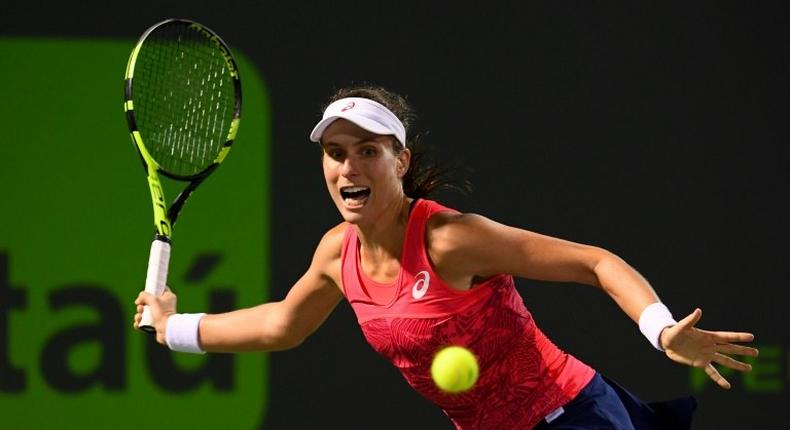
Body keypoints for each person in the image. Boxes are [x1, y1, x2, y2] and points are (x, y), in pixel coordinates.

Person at [134, 85, 758, 429]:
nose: (347, 166)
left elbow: (594, 262)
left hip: (570, 419)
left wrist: (659, 330)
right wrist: (174, 328)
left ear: (400, 161)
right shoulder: (335, 254)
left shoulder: (451, 240)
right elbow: (281, 324)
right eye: (334, 152)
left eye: (367, 151)